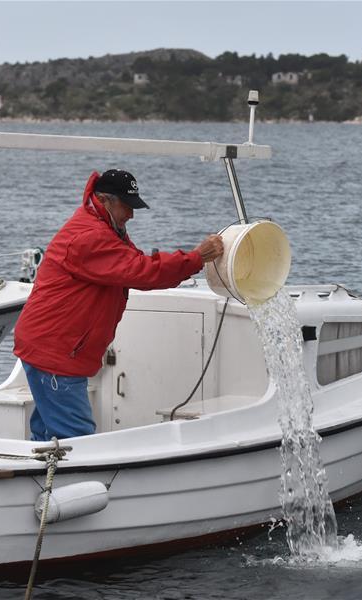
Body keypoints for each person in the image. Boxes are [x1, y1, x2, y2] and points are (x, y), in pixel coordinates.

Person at [13, 169, 224, 441]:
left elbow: (135, 264)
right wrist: (196, 258)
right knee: (76, 440)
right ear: (105, 200)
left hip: (51, 347)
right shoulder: (91, 236)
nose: (131, 214)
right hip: (55, 352)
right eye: (127, 205)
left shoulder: (106, 227)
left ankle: (41, 467)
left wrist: (187, 262)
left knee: (48, 437)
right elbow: (141, 271)